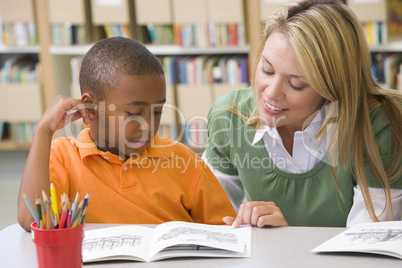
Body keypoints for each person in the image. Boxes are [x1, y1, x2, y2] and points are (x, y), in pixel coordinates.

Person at [202, 0, 402, 228]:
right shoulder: (228, 116)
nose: (272, 93)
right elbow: (207, 218)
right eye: (267, 69)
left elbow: (365, 248)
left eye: (296, 84)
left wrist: (290, 239)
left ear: (333, 88)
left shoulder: (378, 124)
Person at [17, 37, 236, 231]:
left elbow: (227, 233)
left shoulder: (184, 162)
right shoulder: (62, 156)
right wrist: (43, 131)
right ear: (91, 106)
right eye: (133, 113)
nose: (149, 126)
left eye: (158, 111)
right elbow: (32, 220)